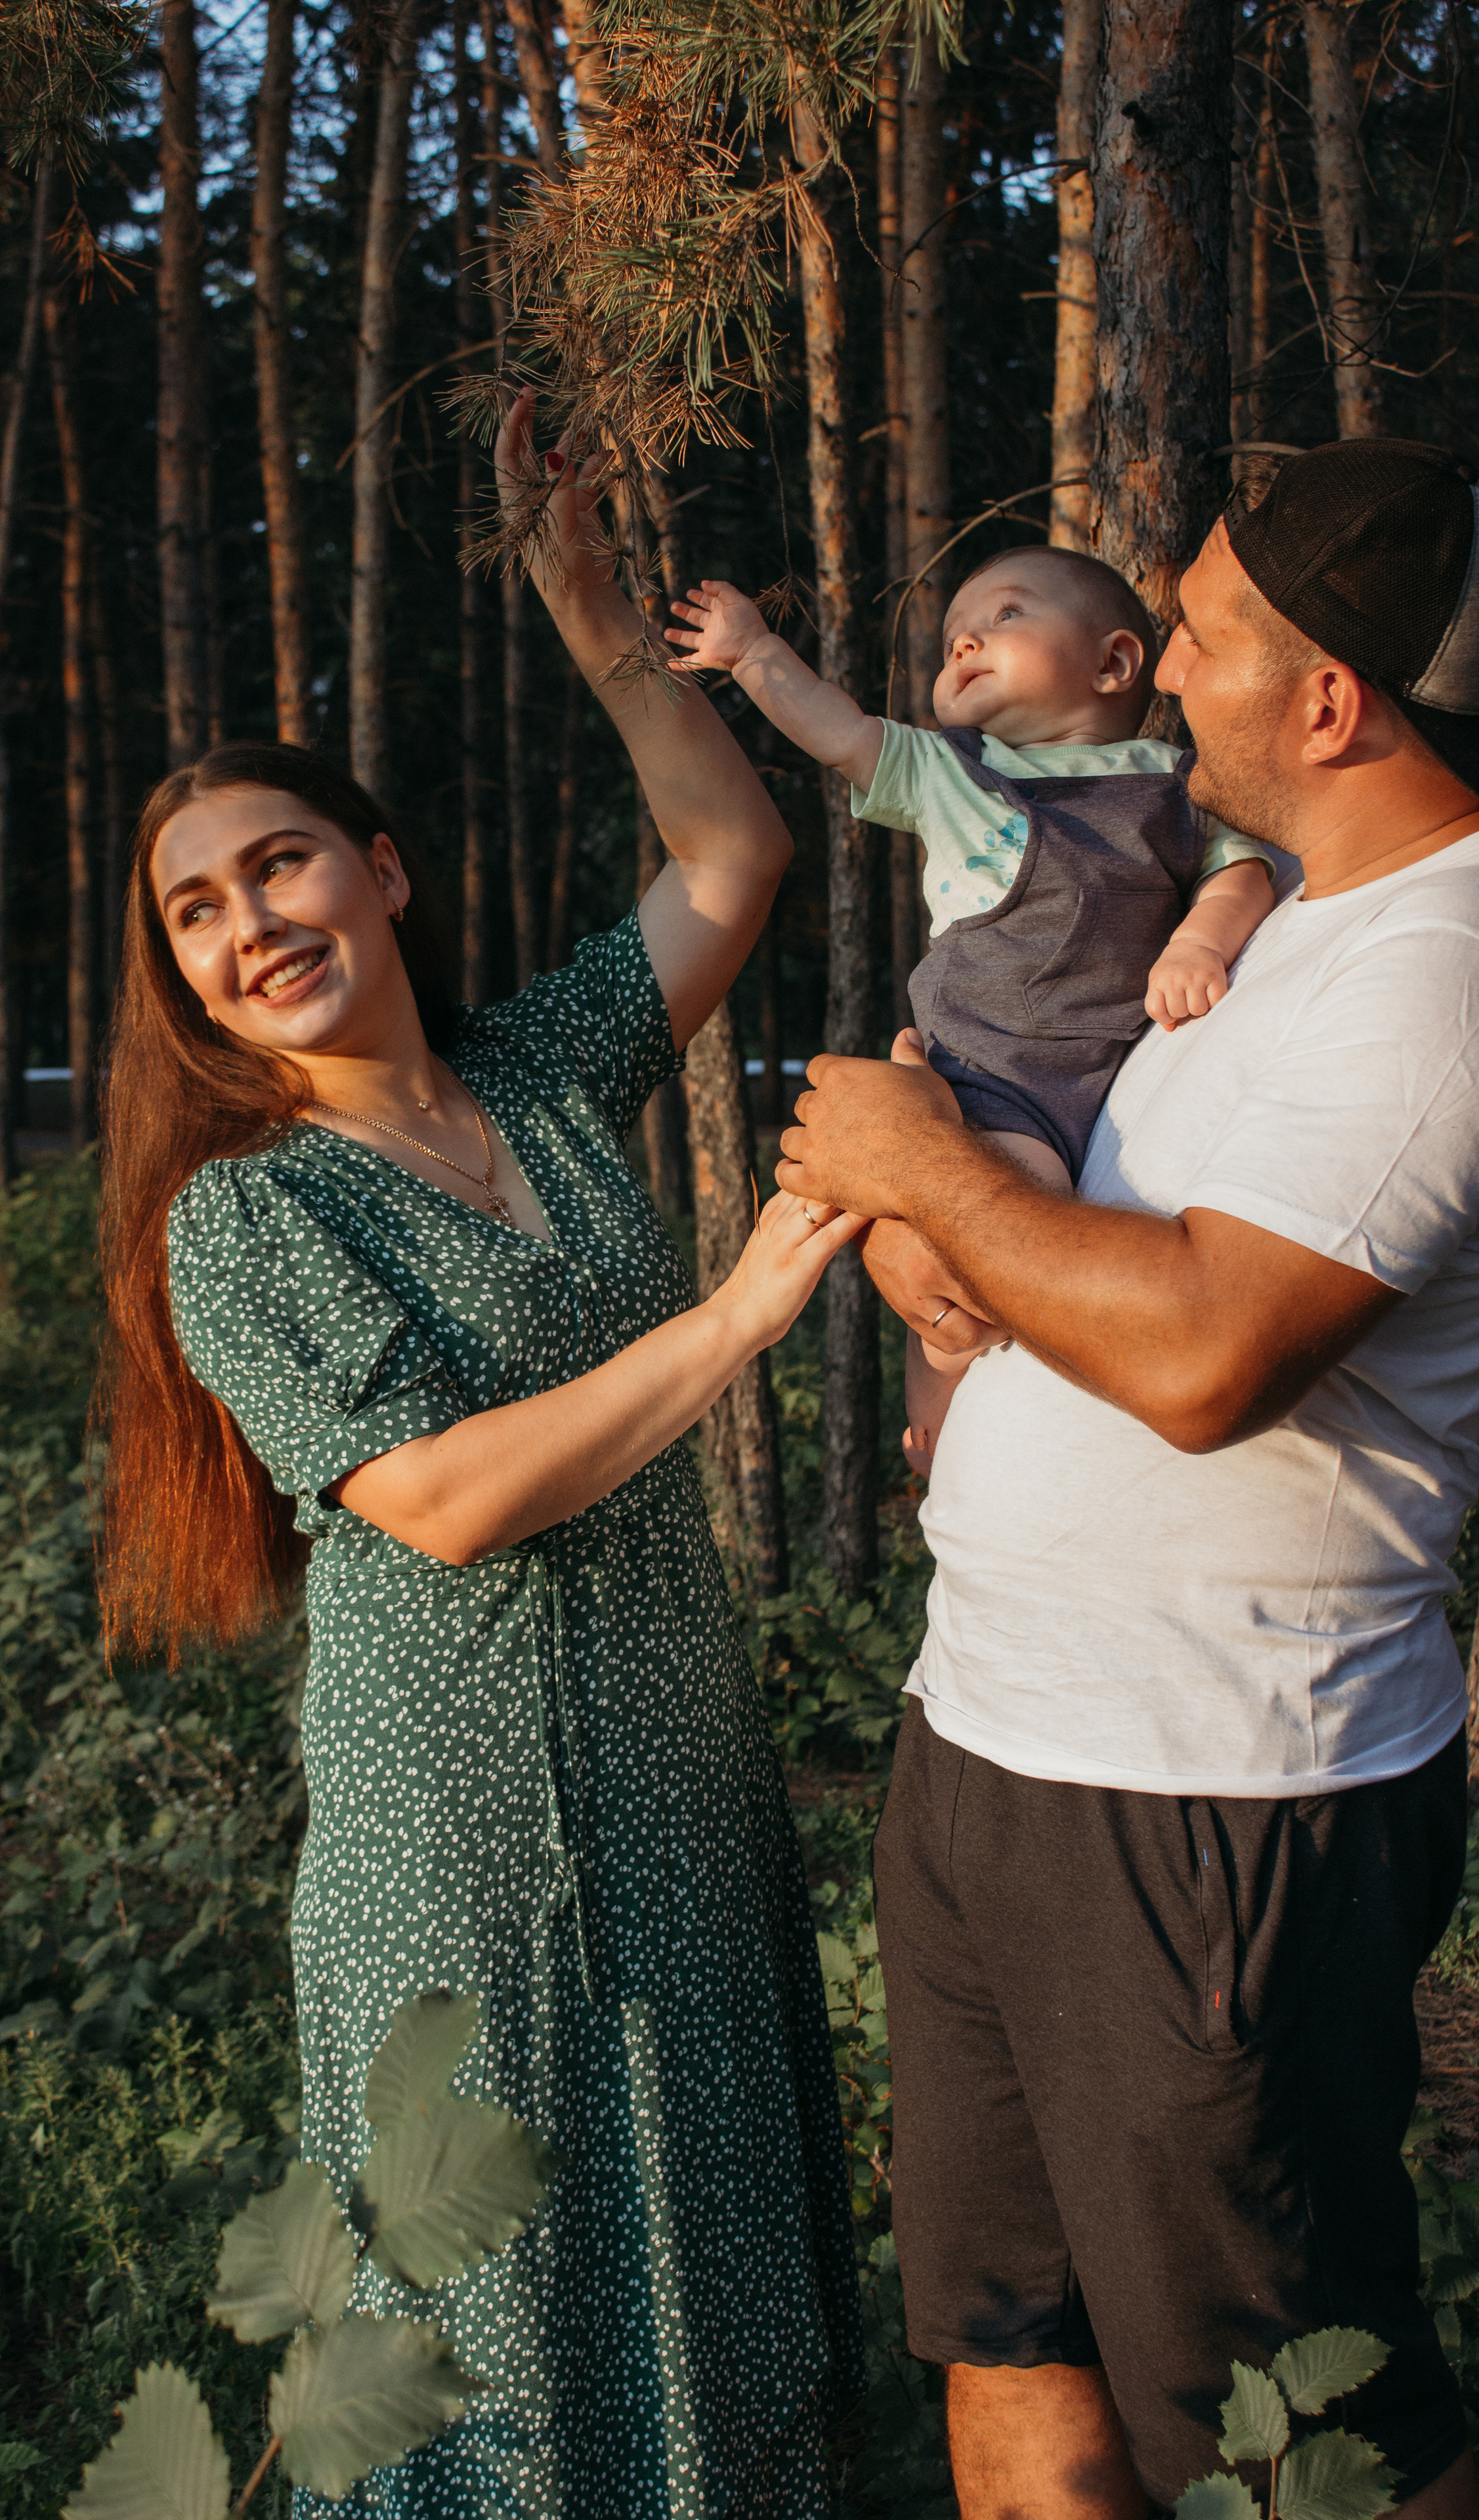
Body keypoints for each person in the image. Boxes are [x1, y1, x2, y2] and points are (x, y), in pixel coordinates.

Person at [94, 394, 864, 2517]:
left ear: (382, 871)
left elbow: (735, 854)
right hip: (469, 1874)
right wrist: (733, 1317)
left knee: (710, 2339)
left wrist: (586, 603)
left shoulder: (532, 1073)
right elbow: (433, 1500)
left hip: (680, 1815)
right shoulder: (244, 1217)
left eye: (281, 860)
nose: (250, 922)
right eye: (196, 913)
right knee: (508, 2378)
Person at [775, 436, 1479, 2517]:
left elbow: (1197, 1354)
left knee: (1293, 2426)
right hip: (992, 1733)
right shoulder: (1278, 921)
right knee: (1011, 2350)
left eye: (1200, 632)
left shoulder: (1440, 980)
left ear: (1332, 703)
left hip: (1213, 1797)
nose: (1158, 665)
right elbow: (1075, 1222)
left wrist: (911, 1166)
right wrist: (932, 1233)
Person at [665, 549, 1277, 1467]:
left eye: (1007, 615)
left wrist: (1199, 941)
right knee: (984, 1245)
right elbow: (838, 730)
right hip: (990, 1075)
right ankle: (937, 1412)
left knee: (1015, 1246)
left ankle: (949, 1410)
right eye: (957, 632)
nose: (965, 637)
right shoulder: (949, 773)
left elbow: (1242, 872)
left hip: (1109, 1072)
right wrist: (753, 652)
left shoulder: (1175, 784)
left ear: (1113, 665)